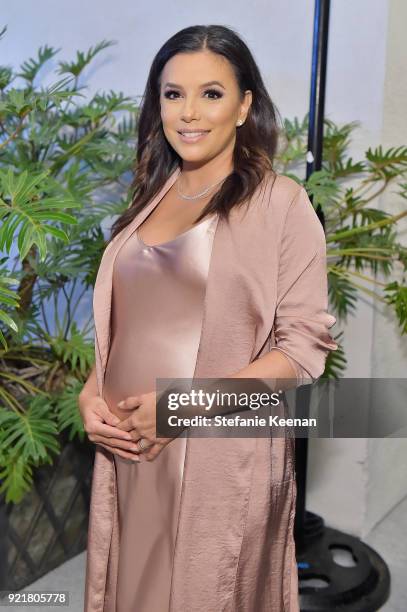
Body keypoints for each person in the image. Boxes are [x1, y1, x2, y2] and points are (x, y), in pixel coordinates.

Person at [79, 24, 337, 612]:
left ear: (245, 105)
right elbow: (125, 326)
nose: (189, 112)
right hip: (129, 450)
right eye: (173, 94)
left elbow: (302, 350)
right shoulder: (149, 193)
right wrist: (92, 393)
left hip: (218, 451)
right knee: (130, 589)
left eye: (212, 93)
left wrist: (181, 407)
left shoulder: (281, 204)